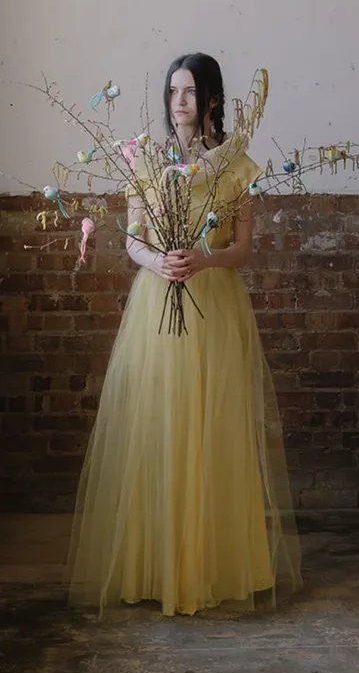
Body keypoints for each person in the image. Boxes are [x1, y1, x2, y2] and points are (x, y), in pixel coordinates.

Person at [67, 53, 302, 616]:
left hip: (214, 305)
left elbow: (243, 249)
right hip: (158, 303)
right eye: (174, 91)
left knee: (212, 427)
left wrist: (204, 257)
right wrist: (159, 263)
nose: (179, 102)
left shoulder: (235, 166)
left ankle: (213, 567)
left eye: (191, 92)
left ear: (214, 100)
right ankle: (156, 565)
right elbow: (133, 239)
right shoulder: (146, 160)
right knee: (160, 424)